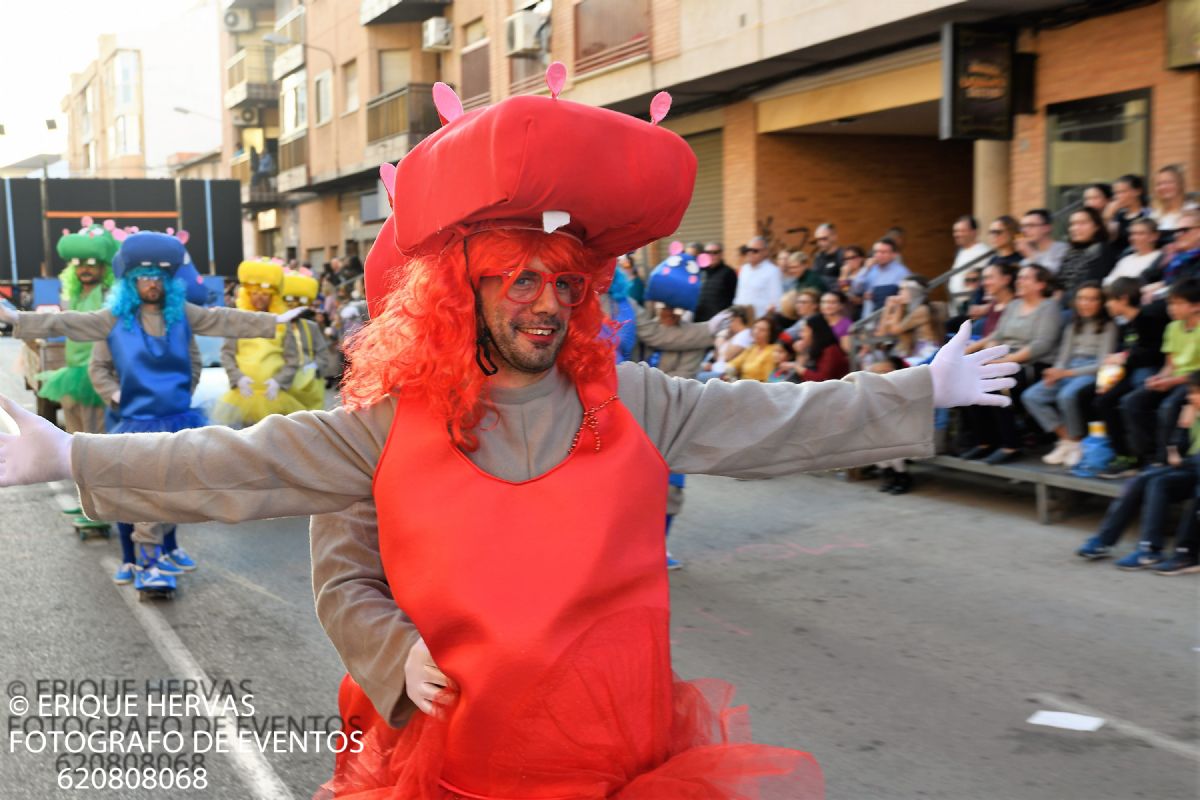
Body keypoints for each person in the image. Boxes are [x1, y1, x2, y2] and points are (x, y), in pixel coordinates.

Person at [0, 70, 1018, 799]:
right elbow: (236, 465)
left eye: (564, 282)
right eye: (518, 279)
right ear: (461, 293)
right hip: (464, 760)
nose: (547, 303)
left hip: (620, 761)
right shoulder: (386, 424)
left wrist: (922, 385)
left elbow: (774, 417)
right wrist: (71, 456)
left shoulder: (632, 398)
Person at [4, 230, 297, 594]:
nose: (151, 285)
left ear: (168, 282)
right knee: (141, 491)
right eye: (143, 277)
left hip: (178, 419)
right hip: (136, 422)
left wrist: (274, 323)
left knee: (174, 491)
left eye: (158, 278)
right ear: (130, 281)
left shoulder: (183, 315)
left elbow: (221, 319)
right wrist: (17, 320)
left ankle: (159, 554)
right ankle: (146, 560)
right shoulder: (112, 320)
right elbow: (67, 323)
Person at [1077, 370, 1200, 570]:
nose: (1190, 397)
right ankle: (1118, 543)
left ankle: (1184, 553)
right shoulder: (1193, 413)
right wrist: (1184, 427)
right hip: (1191, 471)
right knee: (1147, 479)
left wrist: (1182, 461)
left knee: (1161, 480)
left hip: (1193, 470)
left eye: (1195, 393)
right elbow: (1175, 452)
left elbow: (1183, 461)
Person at [959, 265, 1063, 464]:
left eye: (1026, 278)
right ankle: (984, 442)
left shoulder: (1049, 307)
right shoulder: (1014, 305)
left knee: (996, 382)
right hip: (1007, 358)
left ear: (1040, 284)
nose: (1019, 281)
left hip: (1034, 364)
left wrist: (1001, 361)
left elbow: (1041, 345)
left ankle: (1010, 444)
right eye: (1019, 277)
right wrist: (974, 352)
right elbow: (998, 334)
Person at [36, 218, 119, 435]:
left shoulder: (110, 295)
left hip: (99, 375)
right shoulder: (73, 295)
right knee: (74, 435)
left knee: (98, 437)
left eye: (91, 263)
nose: (84, 269)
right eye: (79, 263)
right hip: (72, 374)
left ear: (104, 267)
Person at [1022, 282, 1117, 467]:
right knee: (1032, 396)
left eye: (1091, 299)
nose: (1085, 303)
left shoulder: (1109, 326)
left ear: (1101, 302)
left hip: (1089, 371)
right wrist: (1055, 371)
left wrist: (1066, 373)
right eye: (1081, 298)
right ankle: (1068, 440)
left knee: (1067, 396)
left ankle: (1075, 442)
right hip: (1068, 369)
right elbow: (1063, 356)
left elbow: (1102, 364)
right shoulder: (1073, 325)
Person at [212, 259, 307, 427]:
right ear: (247, 294)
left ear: (273, 296)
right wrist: (237, 378)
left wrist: (279, 381)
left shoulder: (283, 323)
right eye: (254, 293)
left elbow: (292, 359)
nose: (259, 298)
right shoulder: (237, 321)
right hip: (242, 395)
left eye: (264, 294)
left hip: (274, 396)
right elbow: (227, 354)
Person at [1120, 279, 1200, 469]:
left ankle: (1164, 460)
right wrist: (1160, 378)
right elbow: (1169, 365)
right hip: (1175, 379)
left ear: (1196, 306)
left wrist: (1171, 382)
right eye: (1171, 303)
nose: (1172, 308)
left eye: (1179, 303)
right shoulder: (1172, 328)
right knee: (1131, 402)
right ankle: (1147, 454)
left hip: (1193, 382)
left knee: (1168, 406)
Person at [1093, 278, 1168, 478]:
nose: (1107, 304)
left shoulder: (1149, 318)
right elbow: (1128, 354)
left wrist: (1125, 357)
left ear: (1123, 299)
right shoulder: (1127, 324)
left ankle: (1147, 456)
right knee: (1104, 400)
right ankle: (1124, 456)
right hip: (1133, 370)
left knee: (1132, 400)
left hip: (1152, 370)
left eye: (1110, 299)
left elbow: (1155, 352)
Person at [278, 270, 339, 411]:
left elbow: (322, 352)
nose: (293, 305)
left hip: (308, 388)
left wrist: (315, 367)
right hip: (283, 386)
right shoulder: (275, 326)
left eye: (299, 301)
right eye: (289, 299)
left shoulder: (311, 327)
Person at [875, 276, 942, 366]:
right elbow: (881, 332)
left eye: (903, 290)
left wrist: (897, 307)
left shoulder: (922, 310)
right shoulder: (906, 309)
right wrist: (887, 308)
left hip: (927, 354)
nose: (899, 293)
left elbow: (895, 330)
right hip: (911, 352)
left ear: (914, 292)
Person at [1058, 207, 1114, 302]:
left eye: (1082, 223)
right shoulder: (1070, 252)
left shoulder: (1100, 250)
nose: (1075, 228)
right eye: (1072, 224)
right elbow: (1060, 281)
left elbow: (1091, 283)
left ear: (1096, 226)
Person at [850, 237, 910, 318]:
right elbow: (855, 289)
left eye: (883, 252)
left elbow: (907, 298)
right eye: (876, 252)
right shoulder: (870, 269)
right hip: (867, 318)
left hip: (888, 318)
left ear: (893, 254)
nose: (879, 255)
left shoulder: (902, 272)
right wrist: (865, 269)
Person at [785, 314, 848, 384]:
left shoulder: (831, 351)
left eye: (804, 331)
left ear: (815, 332)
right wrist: (801, 353)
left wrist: (797, 367)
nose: (801, 335)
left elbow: (821, 380)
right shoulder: (816, 348)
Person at [945, 215, 991, 310]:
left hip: (970, 305)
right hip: (956, 305)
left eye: (962, 231)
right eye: (955, 231)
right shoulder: (961, 251)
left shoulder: (983, 252)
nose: (957, 234)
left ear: (974, 232)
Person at [732, 235, 783, 318]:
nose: (750, 253)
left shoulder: (772, 271)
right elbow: (739, 295)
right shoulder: (744, 269)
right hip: (740, 318)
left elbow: (776, 302)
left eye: (755, 251)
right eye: (748, 250)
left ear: (765, 252)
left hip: (759, 321)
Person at [1104, 217, 1162, 285]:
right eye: (1132, 234)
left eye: (1140, 233)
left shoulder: (1160, 257)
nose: (1134, 238)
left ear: (1154, 236)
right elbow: (1108, 282)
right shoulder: (1125, 260)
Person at [724, 317, 785, 382]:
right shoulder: (752, 347)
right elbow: (733, 363)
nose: (756, 332)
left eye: (762, 330)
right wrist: (731, 374)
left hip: (757, 387)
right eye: (755, 328)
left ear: (770, 333)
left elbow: (769, 380)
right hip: (743, 383)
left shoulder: (773, 350)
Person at [1104, 174, 1151, 256]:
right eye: (1116, 193)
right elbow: (1108, 239)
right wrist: (1107, 217)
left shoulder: (1148, 214)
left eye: (1122, 192)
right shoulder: (1118, 216)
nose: (1117, 197)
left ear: (1137, 191)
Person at [1150, 164, 1196, 246]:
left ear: (1180, 184)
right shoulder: (1154, 215)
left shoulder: (1194, 212)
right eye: (1159, 184)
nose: (1163, 187)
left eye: (1168, 182)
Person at [693, 241, 737, 322]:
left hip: (718, 322)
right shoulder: (699, 272)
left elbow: (734, 298)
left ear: (721, 254)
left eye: (715, 252)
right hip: (698, 321)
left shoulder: (728, 273)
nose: (711, 255)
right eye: (708, 253)